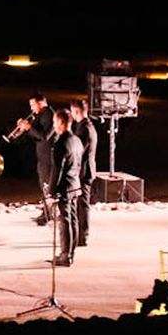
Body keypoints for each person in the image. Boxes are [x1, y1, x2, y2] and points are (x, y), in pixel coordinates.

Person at [49, 108, 85, 266]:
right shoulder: (76, 140)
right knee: (73, 219)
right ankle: (71, 252)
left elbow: (57, 169)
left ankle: (65, 255)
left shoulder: (61, 143)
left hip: (64, 186)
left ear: (61, 122)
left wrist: (51, 191)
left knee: (64, 221)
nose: (54, 125)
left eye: (55, 122)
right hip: (75, 183)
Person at [15, 94, 55, 226]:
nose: (31, 108)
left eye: (33, 105)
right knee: (44, 185)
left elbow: (45, 136)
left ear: (41, 103)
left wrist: (29, 128)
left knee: (47, 186)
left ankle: (48, 214)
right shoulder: (40, 115)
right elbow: (35, 134)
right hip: (42, 156)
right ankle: (46, 213)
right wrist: (24, 129)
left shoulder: (48, 114)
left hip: (48, 157)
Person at [70, 98, 99, 247]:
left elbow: (77, 150)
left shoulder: (84, 128)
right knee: (82, 204)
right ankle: (81, 234)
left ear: (76, 111)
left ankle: (83, 235)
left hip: (84, 171)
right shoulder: (87, 126)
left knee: (83, 204)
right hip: (86, 170)